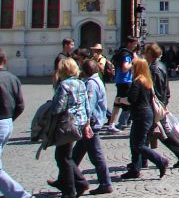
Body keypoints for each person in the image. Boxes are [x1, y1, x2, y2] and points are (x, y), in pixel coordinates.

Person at [69, 59, 113, 195]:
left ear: (85, 71)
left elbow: (89, 105)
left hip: (91, 125)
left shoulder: (91, 84)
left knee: (96, 155)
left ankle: (105, 183)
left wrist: (86, 123)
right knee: (74, 156)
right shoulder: (97, 80)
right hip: (92, 123)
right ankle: (65, 179)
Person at [145, 43, 179, 168]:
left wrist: (158, 104)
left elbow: (156, 89)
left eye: (146, 53)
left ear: (150, 54)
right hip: (160, 104)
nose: (144, 55)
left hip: (156, 106)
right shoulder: (161, 66)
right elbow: (166, 87)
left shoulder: (154, 69)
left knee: (159, 133)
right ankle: (140, 160)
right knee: (151, 133)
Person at [120, 58, 168, 180]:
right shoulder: (147, 81)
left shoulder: (137, 82)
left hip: (141, 115)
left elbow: (132, 99)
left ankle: (161, 161)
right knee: (134, 143)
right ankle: (135, 169)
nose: (130, 67)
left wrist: (121, 100)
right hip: (146, 114)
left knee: (139, 145)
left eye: (133, 65)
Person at [51, 57, 91, 198]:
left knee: (63, 157)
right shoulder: (81, 83)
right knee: (65, 156)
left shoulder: (64, 85)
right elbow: (87, 105)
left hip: (67, 124)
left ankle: (71, 190)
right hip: (79, 122)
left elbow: (58, 107)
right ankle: (78, 183)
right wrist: (87, 124)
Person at [0, 49, 30, 198]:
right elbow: (20, 105)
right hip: (7, 123)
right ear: (4, 61)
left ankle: (21, 195)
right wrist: (9, 120)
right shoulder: (13, 78)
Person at [103, 35, 138, 133]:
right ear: (129, 43)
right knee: (129, 102)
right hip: (125, 81)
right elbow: (125, 67)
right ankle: (122, 123)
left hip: (120, 80)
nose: (136, 46)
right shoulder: (126, 54)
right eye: (135, 44)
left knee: (118, 104)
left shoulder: (121, 52)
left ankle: (113, 124)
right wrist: (134, 62)